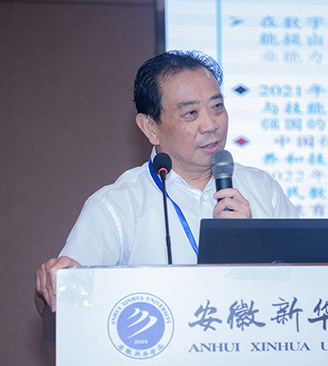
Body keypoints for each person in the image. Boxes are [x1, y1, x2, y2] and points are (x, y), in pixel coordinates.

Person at [35, 50, 298, 314]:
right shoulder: (116, 206)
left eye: (217, 107)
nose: (210, 124)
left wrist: (255, 246)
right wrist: (53, 282)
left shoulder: (263, 189)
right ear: (150, 127)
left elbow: (308, 281)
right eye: (191, 113)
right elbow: (61, 294)